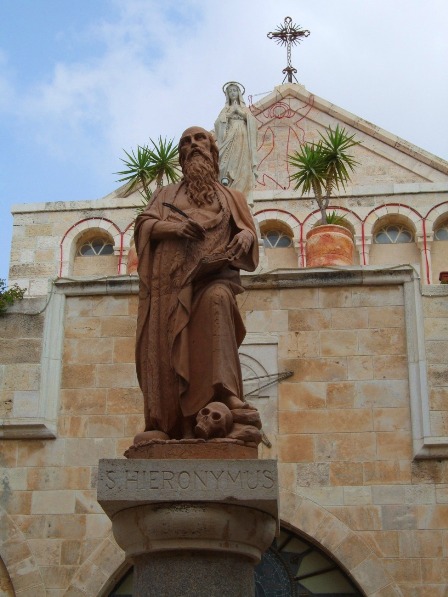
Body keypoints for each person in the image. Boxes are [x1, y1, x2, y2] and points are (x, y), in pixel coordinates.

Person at [134, 126, 259, 441]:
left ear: (213, 151)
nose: (193, 146)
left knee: (218, 299)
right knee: (166, 346)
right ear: (180, 156)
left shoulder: (232, 197)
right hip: (171, 288)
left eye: (199, 139)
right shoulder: (166, 195)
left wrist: (245, 235)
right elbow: (145, 225)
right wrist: (175, 229)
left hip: (211, 279)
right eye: (186, 142)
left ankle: (225, 394)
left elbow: (247, 233)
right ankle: (168, 424)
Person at [214, 82, 258, 197]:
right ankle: (228, 187)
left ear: (238, 93)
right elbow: (218, 124)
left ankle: (241, 194)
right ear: (227, 95)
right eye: (230, 91)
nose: (233, 93)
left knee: (243, 165)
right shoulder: (225, 109)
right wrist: (229, 115)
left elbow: (253, 123)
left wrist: (240, 113)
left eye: (234, 90)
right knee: (227, 164)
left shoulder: (245, 109)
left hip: (243, 138)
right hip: (229, 138)